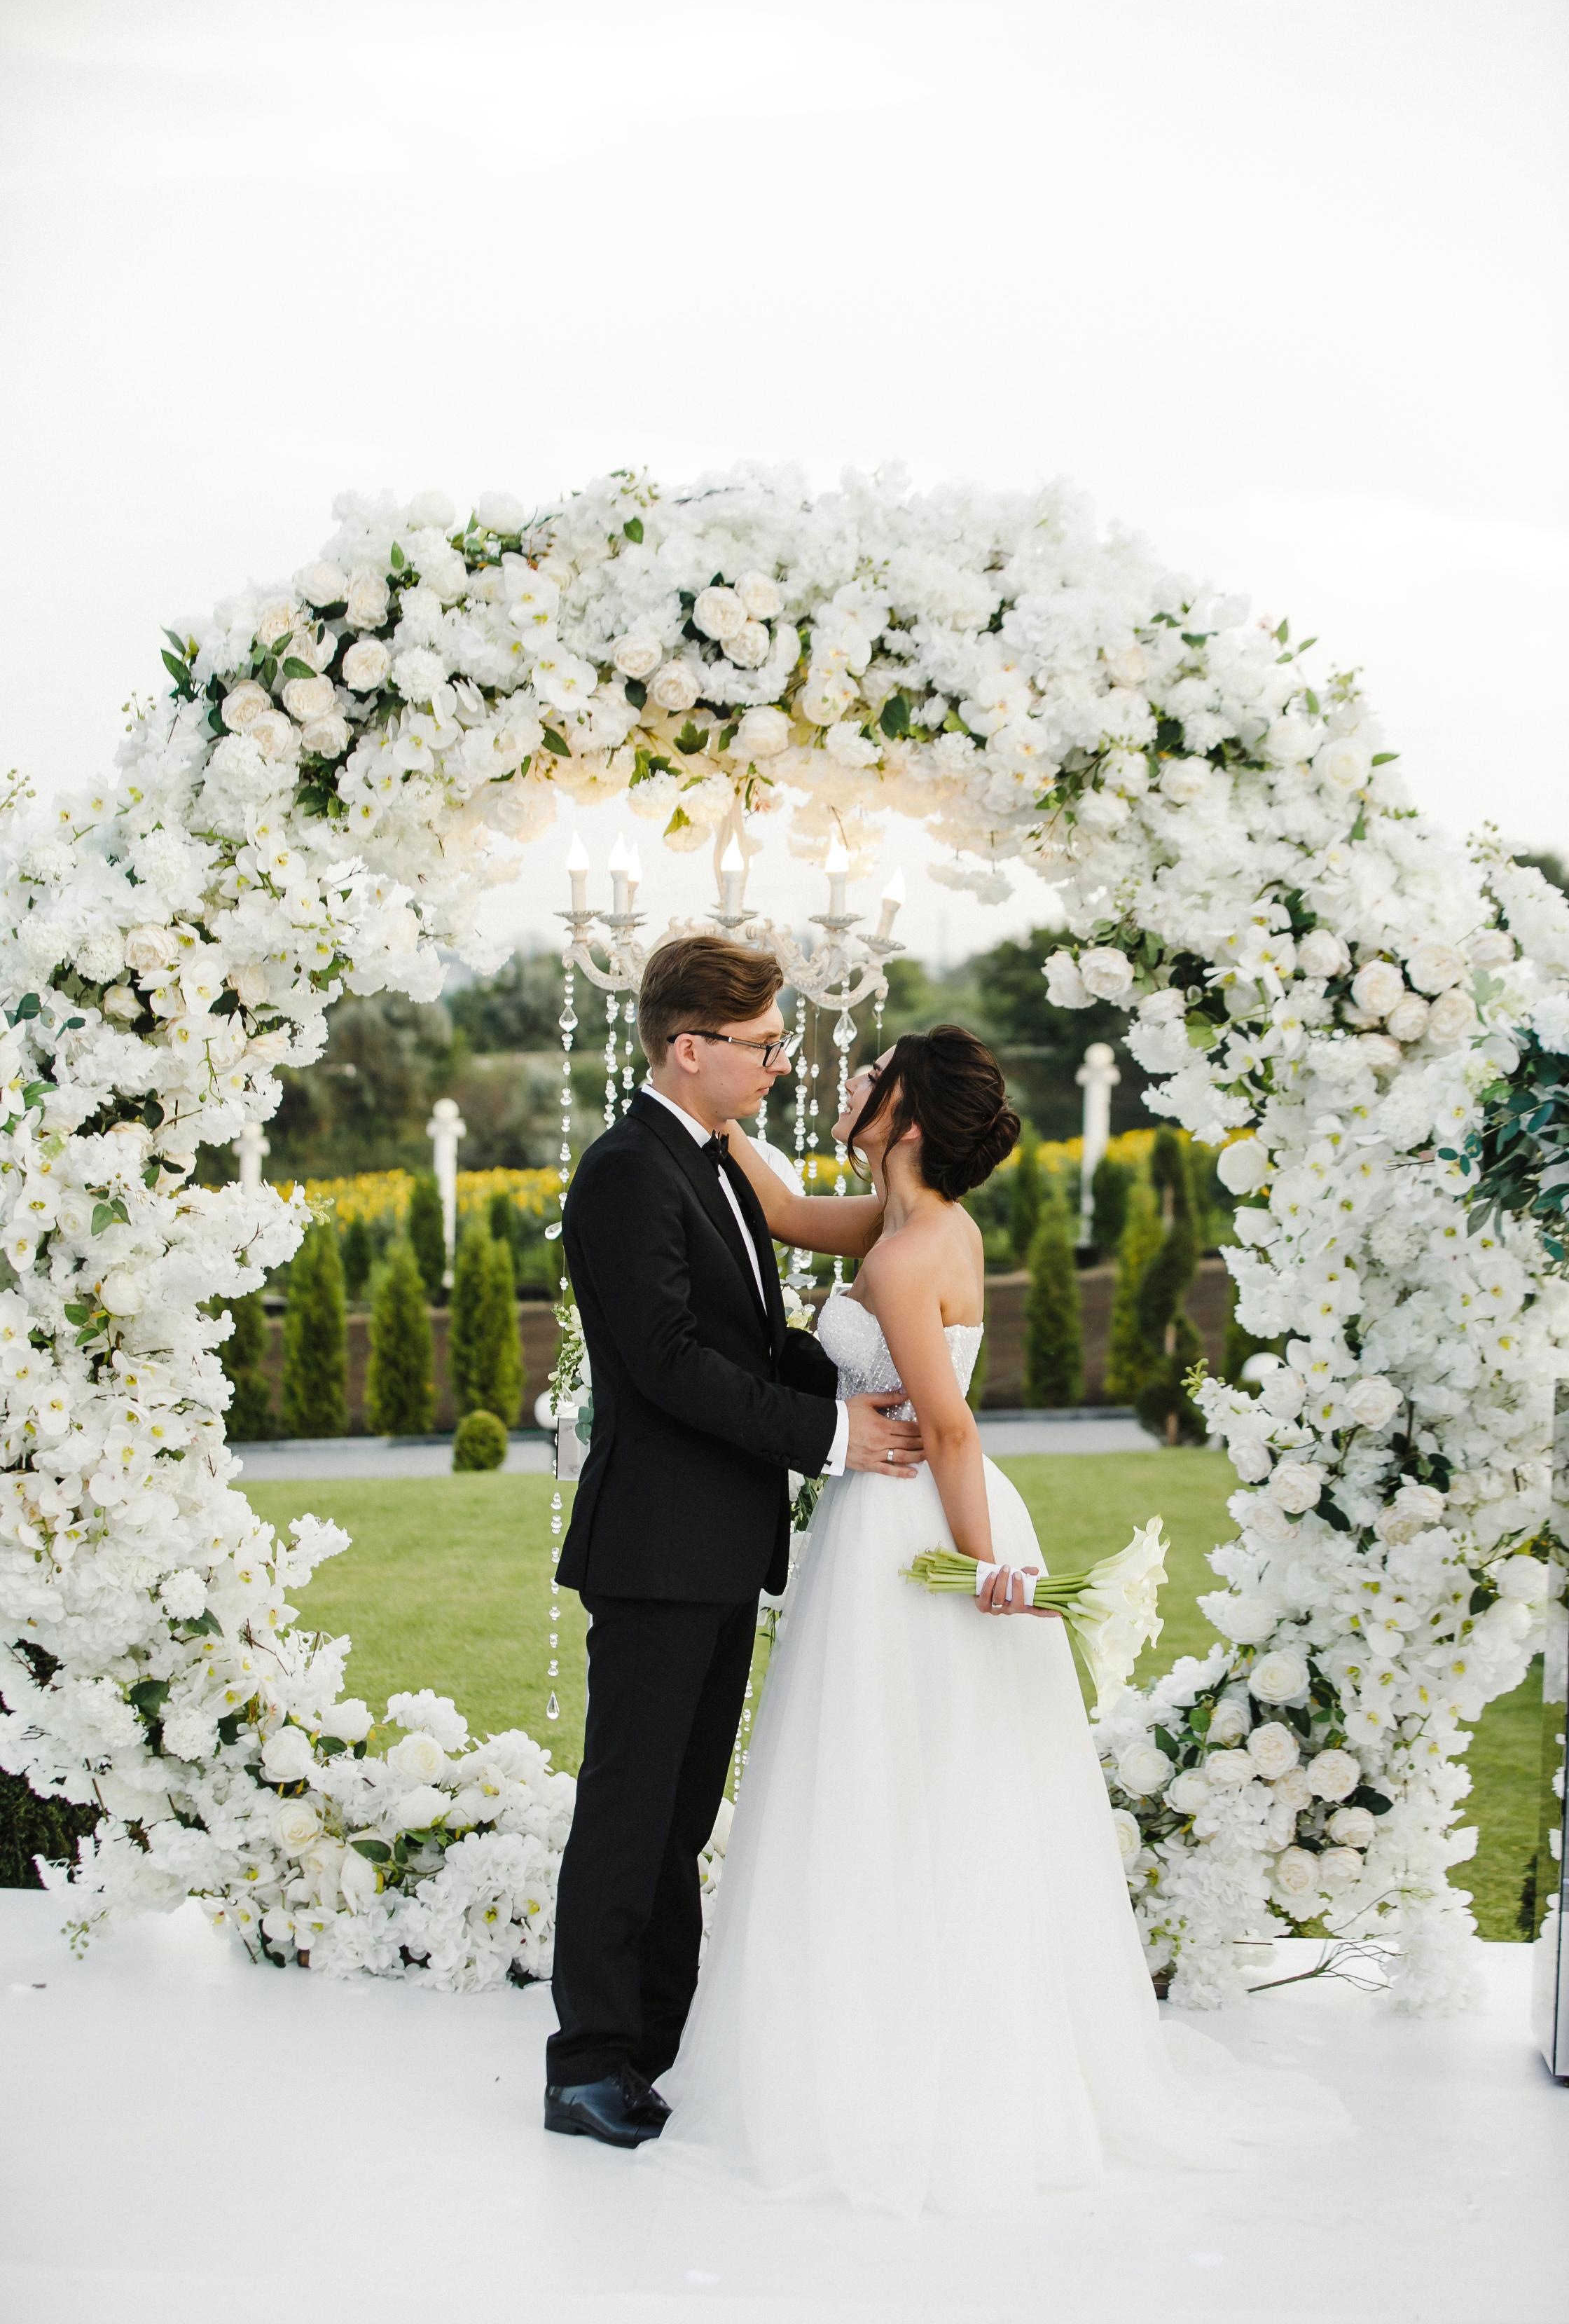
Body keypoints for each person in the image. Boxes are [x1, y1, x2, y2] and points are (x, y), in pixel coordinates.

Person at [651, 1026, 1348, 2215]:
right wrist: (706, 1091)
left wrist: (989, 1572)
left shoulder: (907, 1256)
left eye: (874, 1079)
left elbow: (953, 1427)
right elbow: (773, 1207)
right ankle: (881, 2016)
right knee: (900, 1778)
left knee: (904, 1782)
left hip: (915, 1529)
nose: (850, 1083)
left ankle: (903, 2059)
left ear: (909, 1120)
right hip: (883, 1516)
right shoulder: (905, 1224)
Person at [544, 938, 928, 2150]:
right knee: (628, 1808)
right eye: (763, 1045)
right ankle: (588, 2064)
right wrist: (826, 1434)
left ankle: (656, 2044)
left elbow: (752, 1338)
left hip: (717, 1541)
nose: (782, 1061)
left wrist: (853, 1388)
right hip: (656, 1543)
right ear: (688, 1045)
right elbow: (663, 1364)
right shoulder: (626, 1171)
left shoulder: (705, 1160)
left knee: (679, 1814)